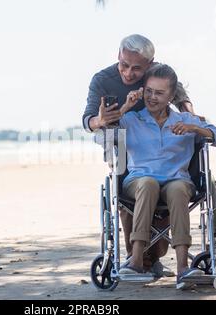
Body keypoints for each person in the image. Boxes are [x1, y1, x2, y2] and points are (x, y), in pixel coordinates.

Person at [83, 34, 194, 277]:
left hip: (161, 142)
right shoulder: (103, 80)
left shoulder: (158, 74)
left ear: (150, 64)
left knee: (163, 204)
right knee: (127, 199)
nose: (129, 73)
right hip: (124, 140)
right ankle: (139, 259)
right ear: (118, 56)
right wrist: (101, 120)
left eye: (137, 68)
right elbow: (88, 120)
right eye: (124, 65)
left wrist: (192, 119)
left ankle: (155, 257)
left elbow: (182, 99)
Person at [116, 63, 216, 289]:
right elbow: (102, 134)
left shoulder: (185, 121)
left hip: (177, 181)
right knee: (148, 184)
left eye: (159, 93)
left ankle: (182, 268)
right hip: (139, 182)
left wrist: (195, 129)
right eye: (148, 91)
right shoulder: (131, 119)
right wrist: (124, 107)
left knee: (178, 189)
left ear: (171, 96)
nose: (152, 97)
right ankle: (136, 260)